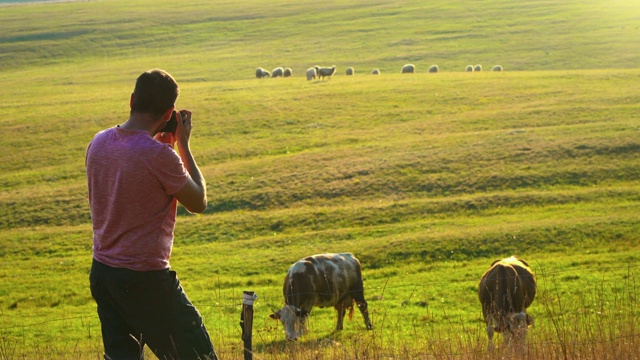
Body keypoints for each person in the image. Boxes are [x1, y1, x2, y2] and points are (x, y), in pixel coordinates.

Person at [86, 69, 218, 360]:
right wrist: (183, 143)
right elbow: (198, 201)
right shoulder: (160, 156)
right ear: (170, 111)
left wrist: (165, 144)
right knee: (198, 355)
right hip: (145, 279)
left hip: (104, 273)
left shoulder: (98, 142)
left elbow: (137, 173)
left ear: (132, 99)